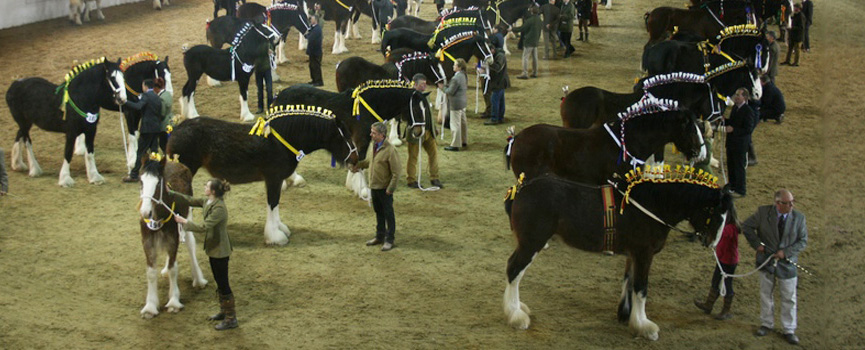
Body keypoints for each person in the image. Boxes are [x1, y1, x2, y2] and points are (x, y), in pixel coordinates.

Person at [742, 189, 808, 345]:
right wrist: (757, 245)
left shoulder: (799, 218)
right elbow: (747, 226)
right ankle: (766, 324)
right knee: (766, 294)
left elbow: (802, 241)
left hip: (787, 264)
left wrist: (785, 253)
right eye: (787, 203)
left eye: (793, 202)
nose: (792, 205)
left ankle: (789, 329)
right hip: (766, 261)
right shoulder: (763, 213)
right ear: (778, 204)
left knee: (789, 298)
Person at [173, 178, 238, 330]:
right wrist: (171, 193)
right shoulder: (208, 201)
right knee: (218, 281)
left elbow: (204, 227)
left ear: (213, 191)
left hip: (220, 251)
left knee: (223, 283)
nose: (204, 187)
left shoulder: (219, 209)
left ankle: (231, 317)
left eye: (207, 186)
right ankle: (224, 311)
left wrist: (184, 222)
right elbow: (190, 200)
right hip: (213, 249)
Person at [354, 122, 401, 251]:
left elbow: (396, 173)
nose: (371, 135)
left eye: (374, 133)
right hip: (374, 187)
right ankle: (379, 236)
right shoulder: (373, 146)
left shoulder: (391, 151)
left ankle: (389, 239)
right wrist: (358, 165)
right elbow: (370, 162)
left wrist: (390, 189)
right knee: (378, 213)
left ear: (381, 135)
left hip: (384, 189)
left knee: (388, 214)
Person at [694, 206, 740, 320]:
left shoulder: (730, 228)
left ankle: (726, 310)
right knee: (715, 281)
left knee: (727, 284)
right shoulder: (729, 227)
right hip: (722, 259)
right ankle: (709, 304)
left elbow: (719, 235)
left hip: (728, 261)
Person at [406, 74, 443, 189]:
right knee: (413, 157)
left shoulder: (425, 96)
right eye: (422, 84)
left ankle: (434, 177)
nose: (425, 85)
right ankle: (411, 179)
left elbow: (430, 113)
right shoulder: (410, 98)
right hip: (416, 133)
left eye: (425, 83)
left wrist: (434, 127)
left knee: (434, 154)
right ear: (415, 84)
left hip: (428, 131)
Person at [122, 79, 163, 183]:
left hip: (147, 128)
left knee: (140, 151)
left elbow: (138, 106)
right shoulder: (157, 97)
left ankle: (134, 174)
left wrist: (125, 102)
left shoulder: (146, 96)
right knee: (154, 150)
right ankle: (156, 172)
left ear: (145, 86)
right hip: (156, 127)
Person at [724, 88, 755, 198]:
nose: (736, 97)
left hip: (740, 144)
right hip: (731, 143)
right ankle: (732, 185)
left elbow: (748, 129)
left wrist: (734, 130)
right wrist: (724, 120)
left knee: (739, 167)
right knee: (731, 165)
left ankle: (741, 190)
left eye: (738, 95)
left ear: (745, 98)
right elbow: (732, 122)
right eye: (736, 94)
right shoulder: (734, 108)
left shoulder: (748, 111)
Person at [439, 58, 468, 151]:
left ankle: (455, 144)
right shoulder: (463, 75)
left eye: (455, 65)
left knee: (455, 124)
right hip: (462, 102)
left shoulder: (456, 78)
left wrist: (442, 88)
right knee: (463, 123)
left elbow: (450, 92)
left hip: (455, 103)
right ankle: (464, 140)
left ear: (459, 67)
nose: (453, 66)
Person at [483, 44, 509, 125]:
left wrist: (489, 65)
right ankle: (500, 117)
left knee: (495, 100)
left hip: (499, 82)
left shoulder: (500, 56)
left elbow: (498, 68)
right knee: (500, 100)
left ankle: (494, 118)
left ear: (492, 49)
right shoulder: (498, 55)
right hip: (499, 81)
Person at [513, 7, 542, 79]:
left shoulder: (530, 20)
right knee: (535, 58)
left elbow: (521, 29)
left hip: (529, 41)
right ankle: (535, 72)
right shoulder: (539, 20)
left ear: (531, 12)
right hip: (535, 41)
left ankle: (525, 73)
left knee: (525, 57)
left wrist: (512, 29)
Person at [153, 78, 173, 153]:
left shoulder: (161, 98)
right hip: (171, 120)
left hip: (164, 124)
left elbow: (162, 113)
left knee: (163, 143)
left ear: (156, 88)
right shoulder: (167, 94)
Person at [305, 15, 324, 86]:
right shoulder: (313, 28)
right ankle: (314, 80)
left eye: (312, 19)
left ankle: (318, 81)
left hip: (316, 51)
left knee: (316, 67)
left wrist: (307, 35)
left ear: (315, 20)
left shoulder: (317, 29)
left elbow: (311, 38)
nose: (311, 20)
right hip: (313, 51)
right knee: (312, 66)